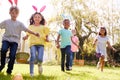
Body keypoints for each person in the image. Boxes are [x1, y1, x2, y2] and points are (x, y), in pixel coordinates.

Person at [0, 6, 39, 75]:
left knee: (12, 55)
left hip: (15, 42)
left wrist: (35, 33)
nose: (14, 14)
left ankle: (9, 70)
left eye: (15, 13)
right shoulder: (6, 22)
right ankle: (2, 65)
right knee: (3, 50)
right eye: (12, 13)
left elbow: (27, 30)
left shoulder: (20, 24)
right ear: (10, 13)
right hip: (6, 39)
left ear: (18, 14)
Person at [23, 12, 49, 76]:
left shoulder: (43, 27)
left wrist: (47, 39)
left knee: (40, 58)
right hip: (33, 44)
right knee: (33, 56)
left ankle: (39, 64)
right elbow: (28, 34)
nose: (37, 18)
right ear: (33, 18)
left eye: (39, 17)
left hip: (41, 44)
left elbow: (46, 35)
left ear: (41, 18)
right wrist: (25, 37)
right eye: (35, 17)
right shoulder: (30, 27)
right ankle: (31, 73)